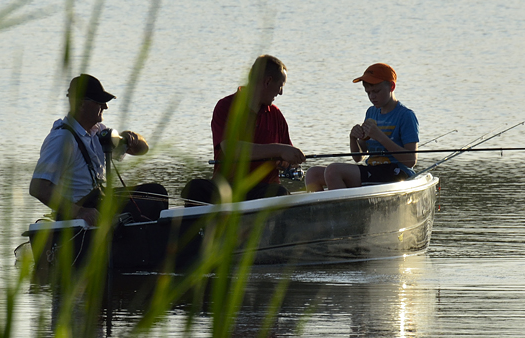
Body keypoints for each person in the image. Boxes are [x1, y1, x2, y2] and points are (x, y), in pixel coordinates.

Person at [30, 74, 167, 225]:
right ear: (82, 104)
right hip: (79, 211)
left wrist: (133, 138)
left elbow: (142, 150)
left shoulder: (99, 132)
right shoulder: (62, 139)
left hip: (99, 200)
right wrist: (79, 212)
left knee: (157, 192)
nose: (105, 107)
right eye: (99, 102)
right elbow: (38, 188)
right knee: (152, 206)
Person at [182, 55, 305, 204]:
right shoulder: (226, 106)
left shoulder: (276, 116)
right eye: (280, 85)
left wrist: (288, 162)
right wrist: (278, 150)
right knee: (194, 188)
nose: (280, 92)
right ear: (267, 81)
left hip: (262, 190)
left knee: (279, 193)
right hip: (227, 190)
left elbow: (287, 154)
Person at [305, 63, 418, 192]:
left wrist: (380, 137)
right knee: (312, 174)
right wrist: (353, 138)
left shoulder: (406, 115)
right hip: (372, 170)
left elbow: (410, 161)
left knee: (333, 171)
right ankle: (324, 210)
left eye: (376, 91)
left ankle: (345, 209)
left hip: (396, 173)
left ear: (391, 86)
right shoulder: (371, 112)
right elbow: (359, 157)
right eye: (368, 93)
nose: (372, 97)